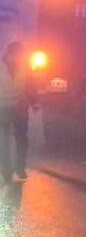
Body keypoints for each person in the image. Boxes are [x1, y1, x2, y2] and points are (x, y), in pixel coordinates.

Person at [0, 42, 36, 184]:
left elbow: (30, 85)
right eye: (16, 55)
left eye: (20, 56)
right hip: (2, 109)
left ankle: (20, 166)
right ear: (9, 54)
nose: (18, 58)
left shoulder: (25, 67)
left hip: (20, 108)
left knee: (21, 139)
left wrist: (34, 102)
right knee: (4, 140)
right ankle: (6, 169)